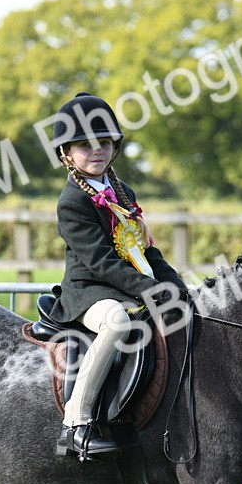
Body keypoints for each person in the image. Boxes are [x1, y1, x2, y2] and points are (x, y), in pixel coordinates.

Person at [49, 92, 186, 458]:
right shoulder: (72, 203)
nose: (97, 150)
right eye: (85, 145)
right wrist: (149, 290)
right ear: (66, 154)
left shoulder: (123, 192)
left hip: (126, 287)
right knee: (116, 324)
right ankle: (75, 425)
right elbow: (101, 262)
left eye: (105, 142)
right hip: (90, 292)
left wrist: (177, 287)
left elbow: (145, 249)